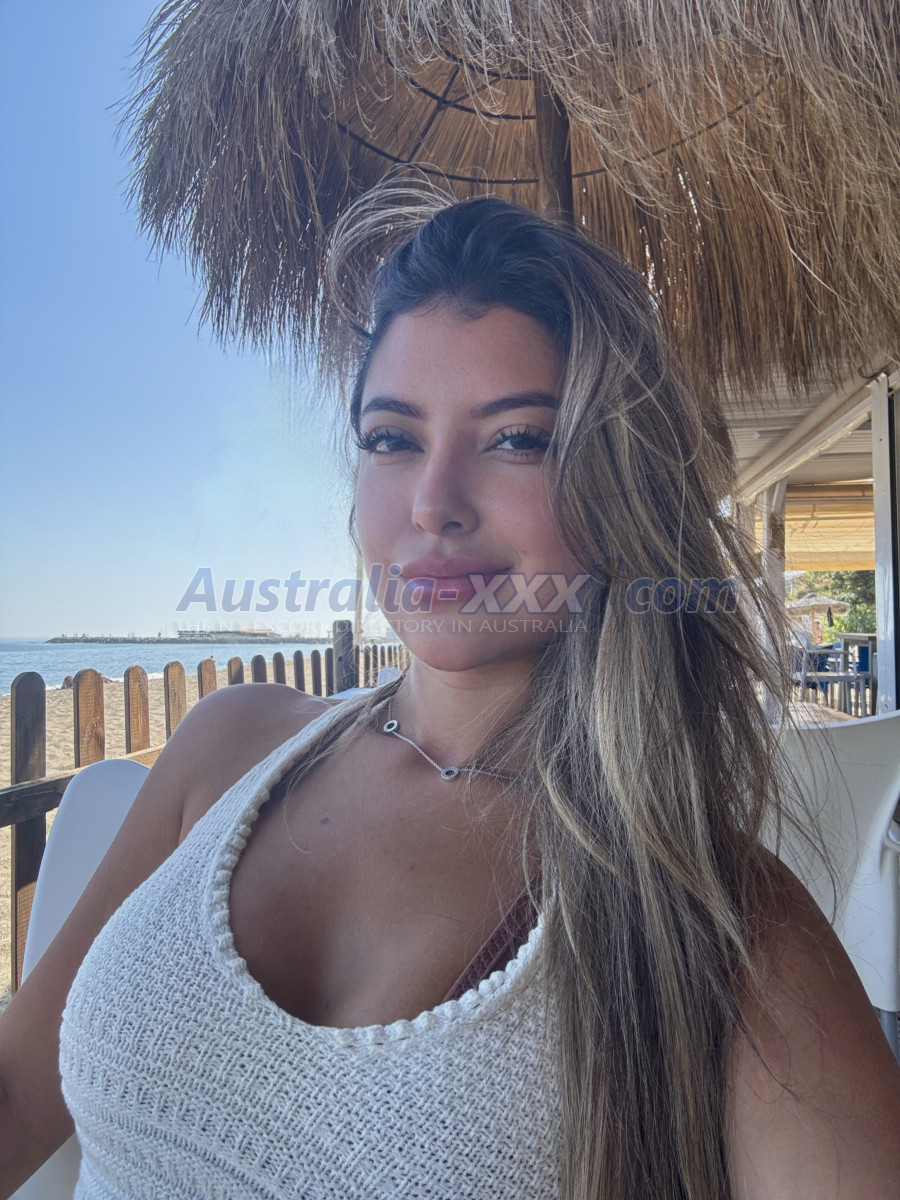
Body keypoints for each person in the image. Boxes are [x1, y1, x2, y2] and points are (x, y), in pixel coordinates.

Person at [1, 195, 898, 1199]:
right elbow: (18, 1093)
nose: (432, 504)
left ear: (622, 485)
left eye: (516, 438)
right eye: (392, 438)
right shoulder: (229, 744)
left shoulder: (722, 928)